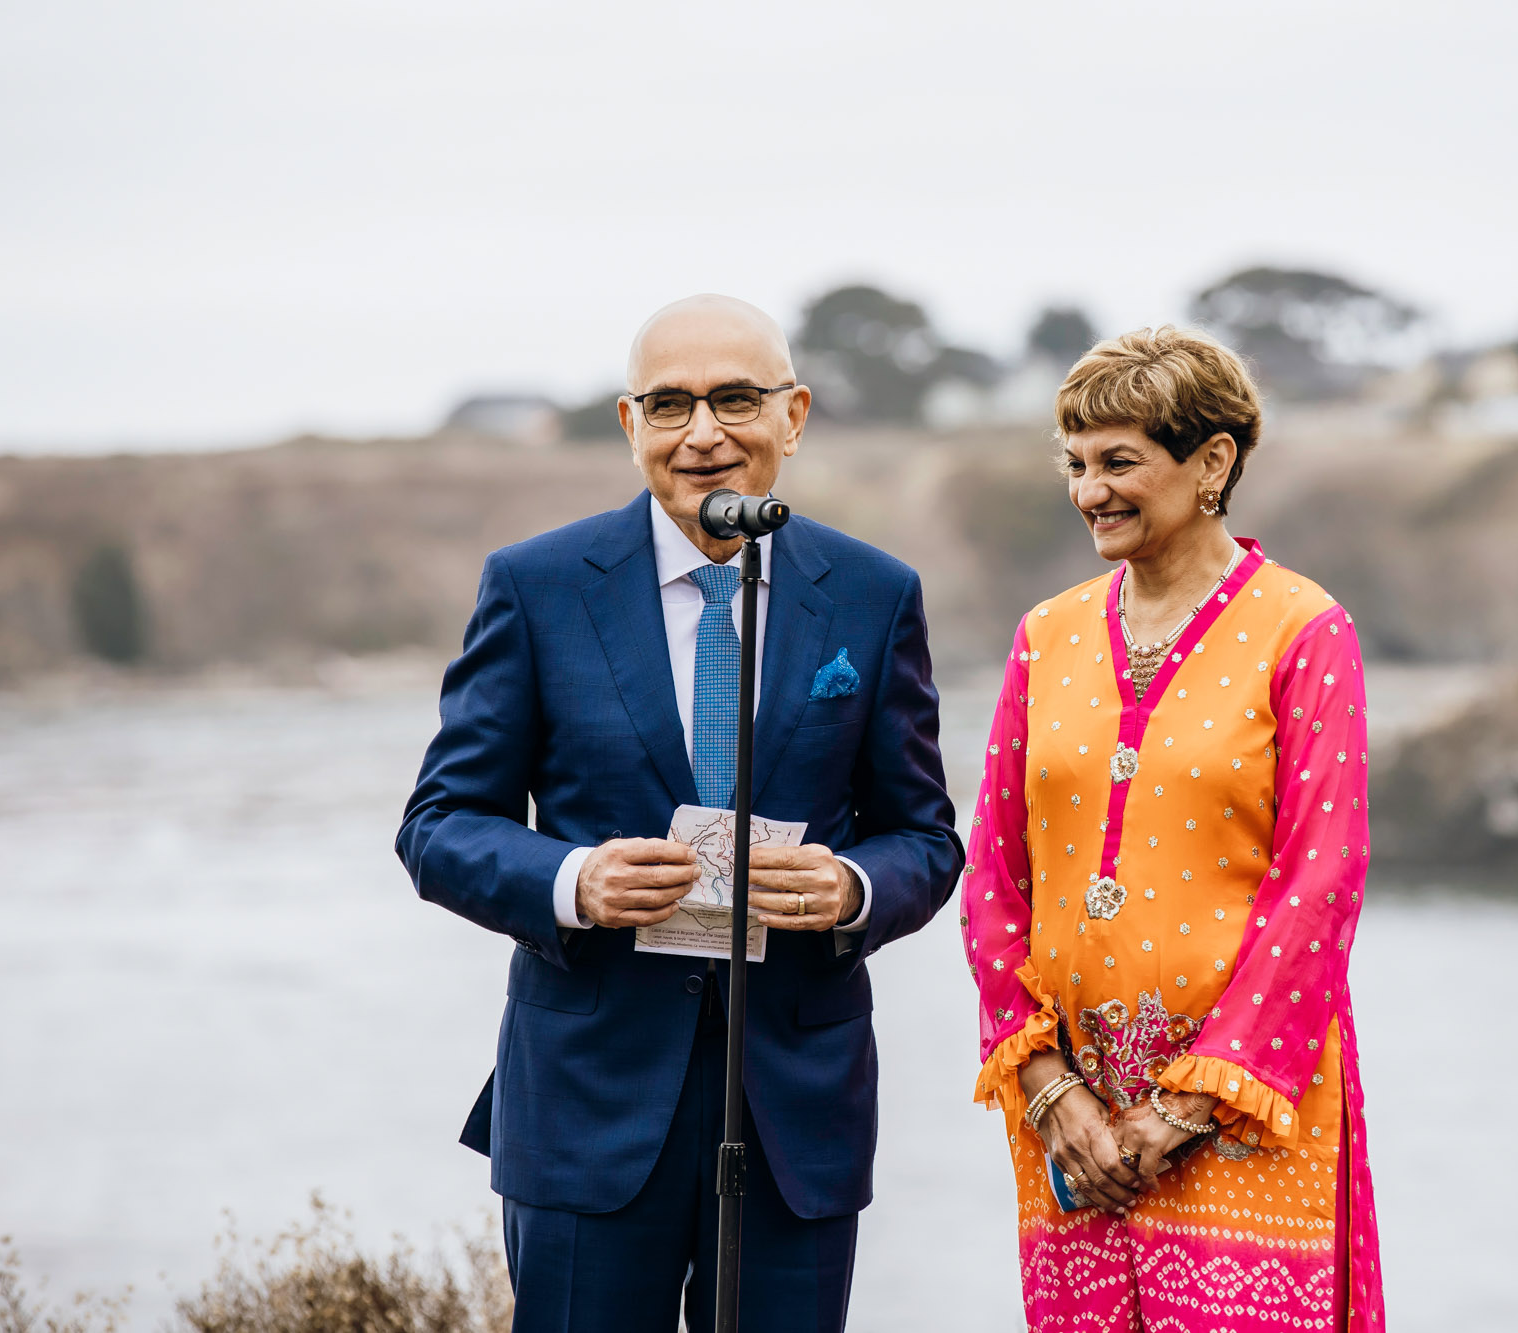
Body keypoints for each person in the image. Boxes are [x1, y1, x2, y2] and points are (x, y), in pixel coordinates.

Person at [396, 295, 963, 1332]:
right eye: (669, 405)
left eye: (734, 400)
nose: (702, 433)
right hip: (586, 1104)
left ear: (792, 416)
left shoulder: (873, 595)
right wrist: (573, 881)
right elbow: (438, 824)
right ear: (629, 425)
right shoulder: (535, 586)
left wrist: (851, 887)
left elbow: (924, 838)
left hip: (796, 1109)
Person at [961, 326, 1383, 1331]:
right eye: (1074, 463)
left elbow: (1320, 881)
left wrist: (1187, 1107)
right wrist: (1049, 1087)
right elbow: (991, 881)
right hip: (1073, 1130)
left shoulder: (1302, 629)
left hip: (1245, 1114)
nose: (1088, 490)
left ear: (1212, 462)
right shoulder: (1044, 636)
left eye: (1117, 461)